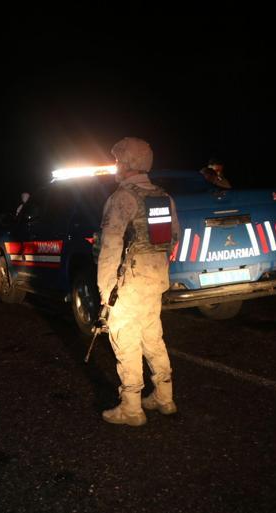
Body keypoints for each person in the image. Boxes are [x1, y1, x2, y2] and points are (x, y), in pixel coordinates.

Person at [96, 137, 180, 427]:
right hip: (155, 280)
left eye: (118, 160)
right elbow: (174, 238)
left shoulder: (122, 198)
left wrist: (106, 290)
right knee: (153, 338)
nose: (116, 166)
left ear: (127, 163)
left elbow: (109, 246)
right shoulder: (163, 197)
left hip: (128, 285)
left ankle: (131, 407)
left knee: (126, 341)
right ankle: (164, 397)